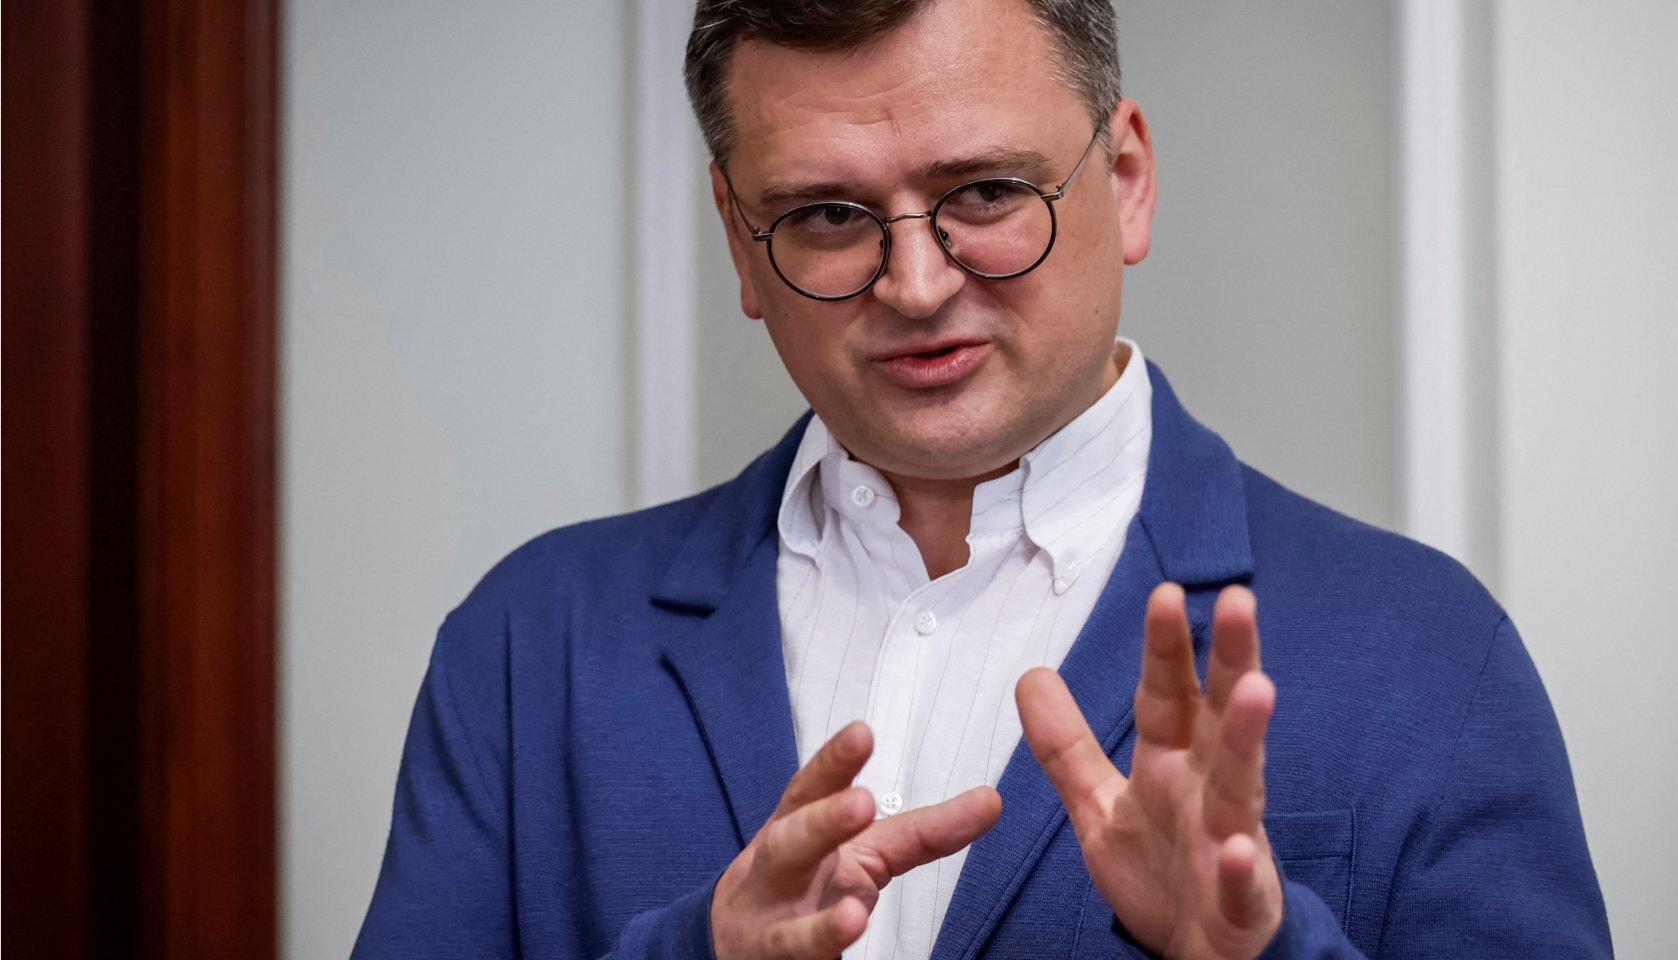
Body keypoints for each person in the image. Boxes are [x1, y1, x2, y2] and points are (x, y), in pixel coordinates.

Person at [353, 0, 1612, 956]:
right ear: (742, 239)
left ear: (1126, 181)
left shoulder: (1427, 653)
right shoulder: (528, 646)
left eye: (988, 192)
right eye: (827, 215)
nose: (915, 286)